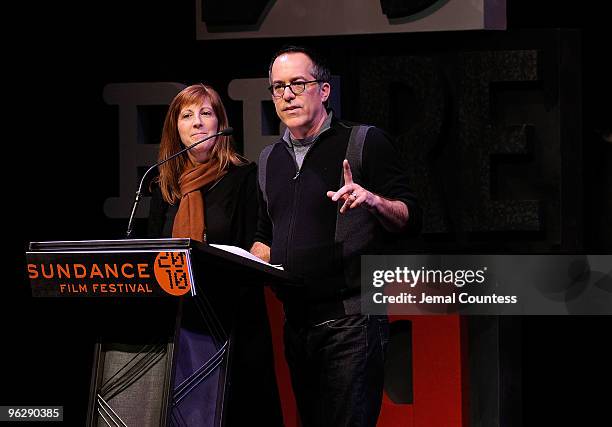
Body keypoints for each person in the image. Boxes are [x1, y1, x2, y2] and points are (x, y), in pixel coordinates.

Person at [250, 46, 421, 427]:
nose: (287, 95)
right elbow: (265, 234)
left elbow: (410, 216)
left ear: (324, 91)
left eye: (298, 83)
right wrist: (248, 259)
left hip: (352, 323)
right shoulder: (268, 160)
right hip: (296, 325)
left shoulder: (363, 142)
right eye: (278, 87)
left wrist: (373, 200)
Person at [147, 84, 283, 426]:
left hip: (231, 323)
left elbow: (254, 251)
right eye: (187, 115)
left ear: (220, 124)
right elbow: (151, 252)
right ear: (175, 128)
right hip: (176, 323)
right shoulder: (164, 186)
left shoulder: (244, 177)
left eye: (206, 113)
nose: (197, 123)